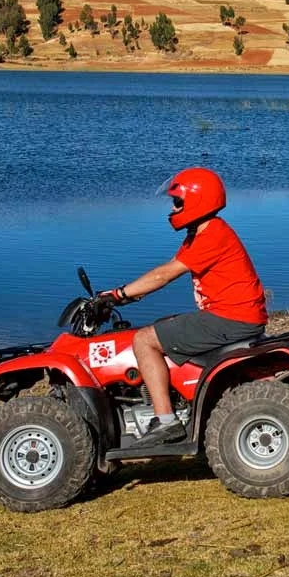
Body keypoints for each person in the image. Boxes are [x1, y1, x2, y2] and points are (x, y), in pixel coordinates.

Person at [97, 167, 268, 446]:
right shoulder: (202, 233)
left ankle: (166, 421)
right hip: (233, 315)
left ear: (197, 201)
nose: (173, 208)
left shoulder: (212, 235)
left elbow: (164, 274)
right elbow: (165, 272)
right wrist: (125, 297)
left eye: (177, 202)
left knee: (143, 340)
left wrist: (118, 294)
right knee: (164, 324)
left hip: (232, 318)